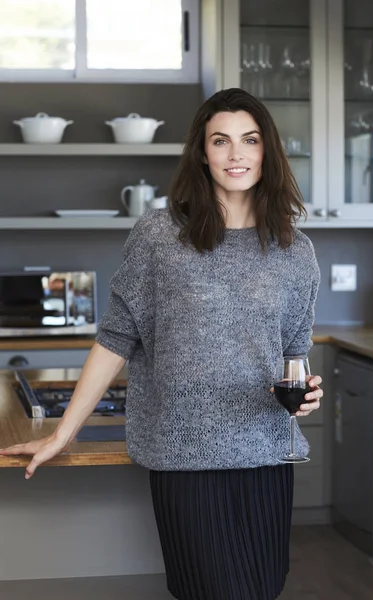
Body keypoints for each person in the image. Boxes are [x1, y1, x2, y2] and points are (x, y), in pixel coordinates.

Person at [0, 88, 323, 600]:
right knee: (211, 591)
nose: (236, 154)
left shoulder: (295, 249)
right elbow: (115, 340)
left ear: (268, 151)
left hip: (264, 453)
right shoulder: (160, 236)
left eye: (250, 140)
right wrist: (64, 433)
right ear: (202, 152)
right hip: (185, 454)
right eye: (221, 141)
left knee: (264, 588)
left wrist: (306, 392)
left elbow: (293, 352)